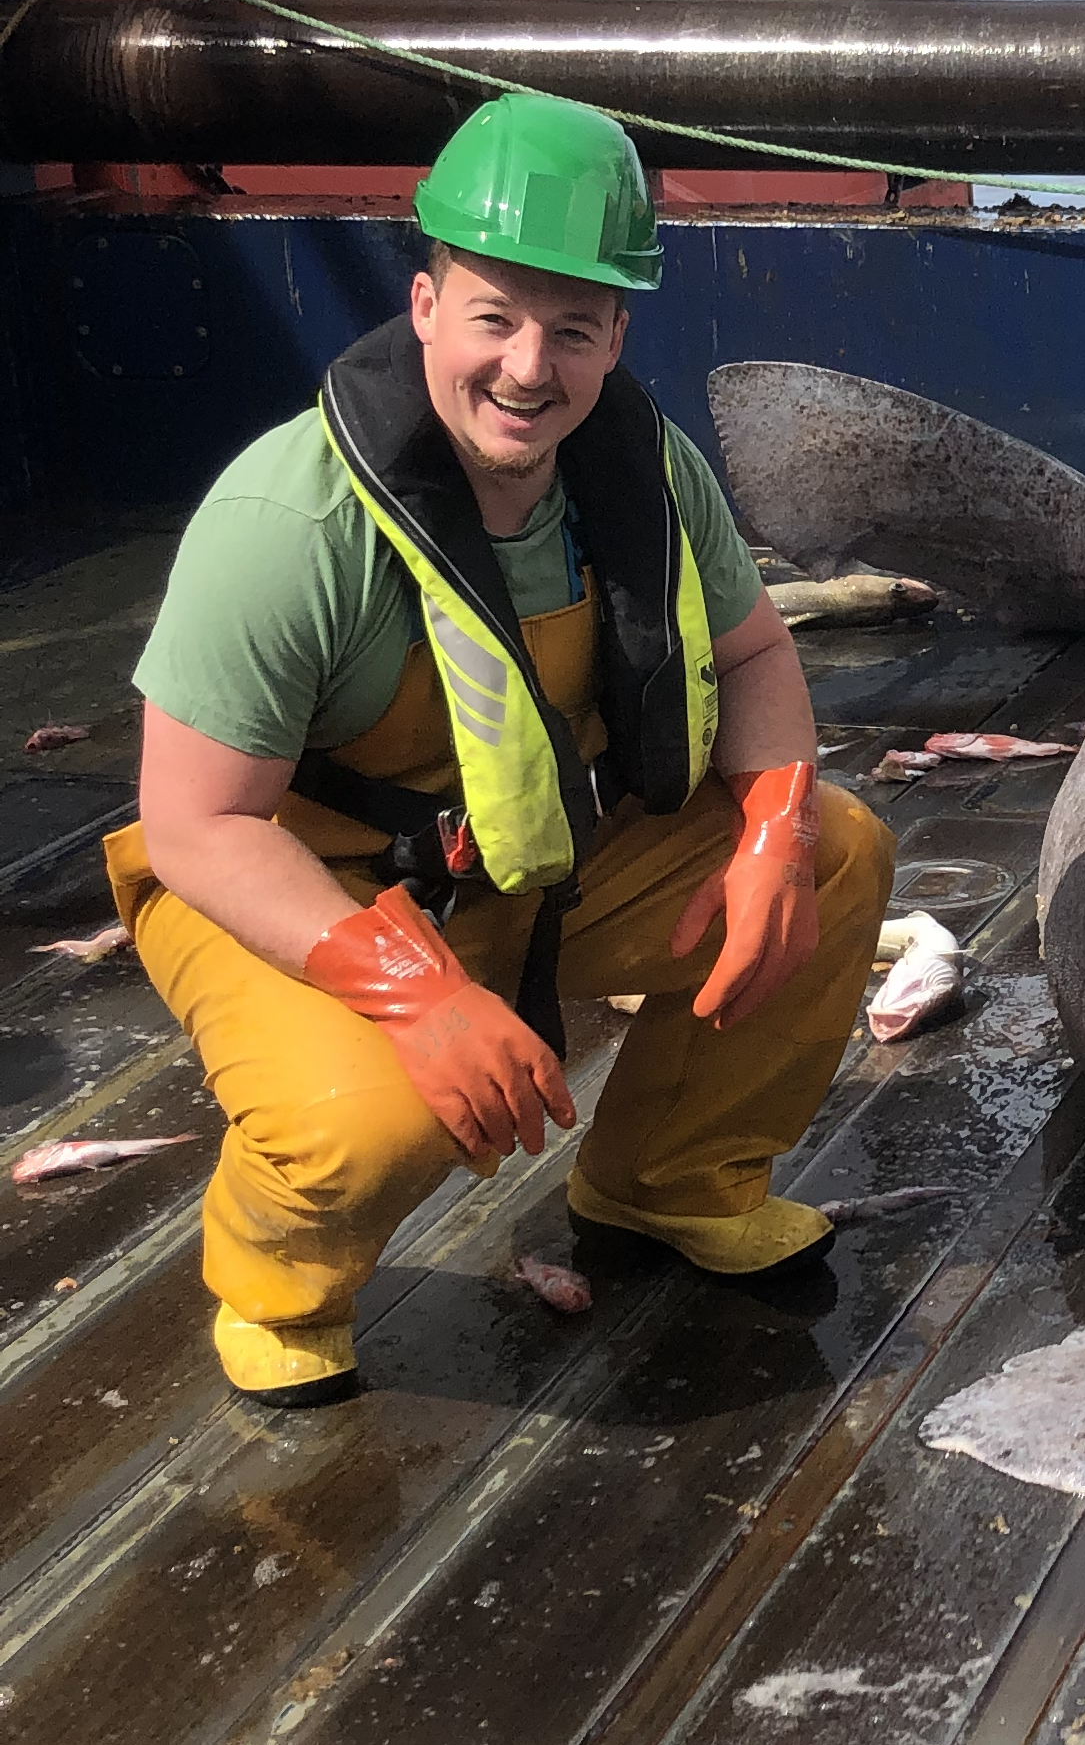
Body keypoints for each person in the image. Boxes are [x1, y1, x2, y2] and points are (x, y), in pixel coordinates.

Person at [111, 90, 894, 1401]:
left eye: (572, 329)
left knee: (837, 850)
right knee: (367, 1126)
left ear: (616, 335)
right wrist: (412, 994)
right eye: (496, 318)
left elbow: (756, 657)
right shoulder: (286, 526)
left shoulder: (643, 472)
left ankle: (663, 1180)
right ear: (426, 308)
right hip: (301, 892)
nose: (530, 367)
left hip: (534, 859)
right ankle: (278, 1286)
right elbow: (196, 825)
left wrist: (765, 833)